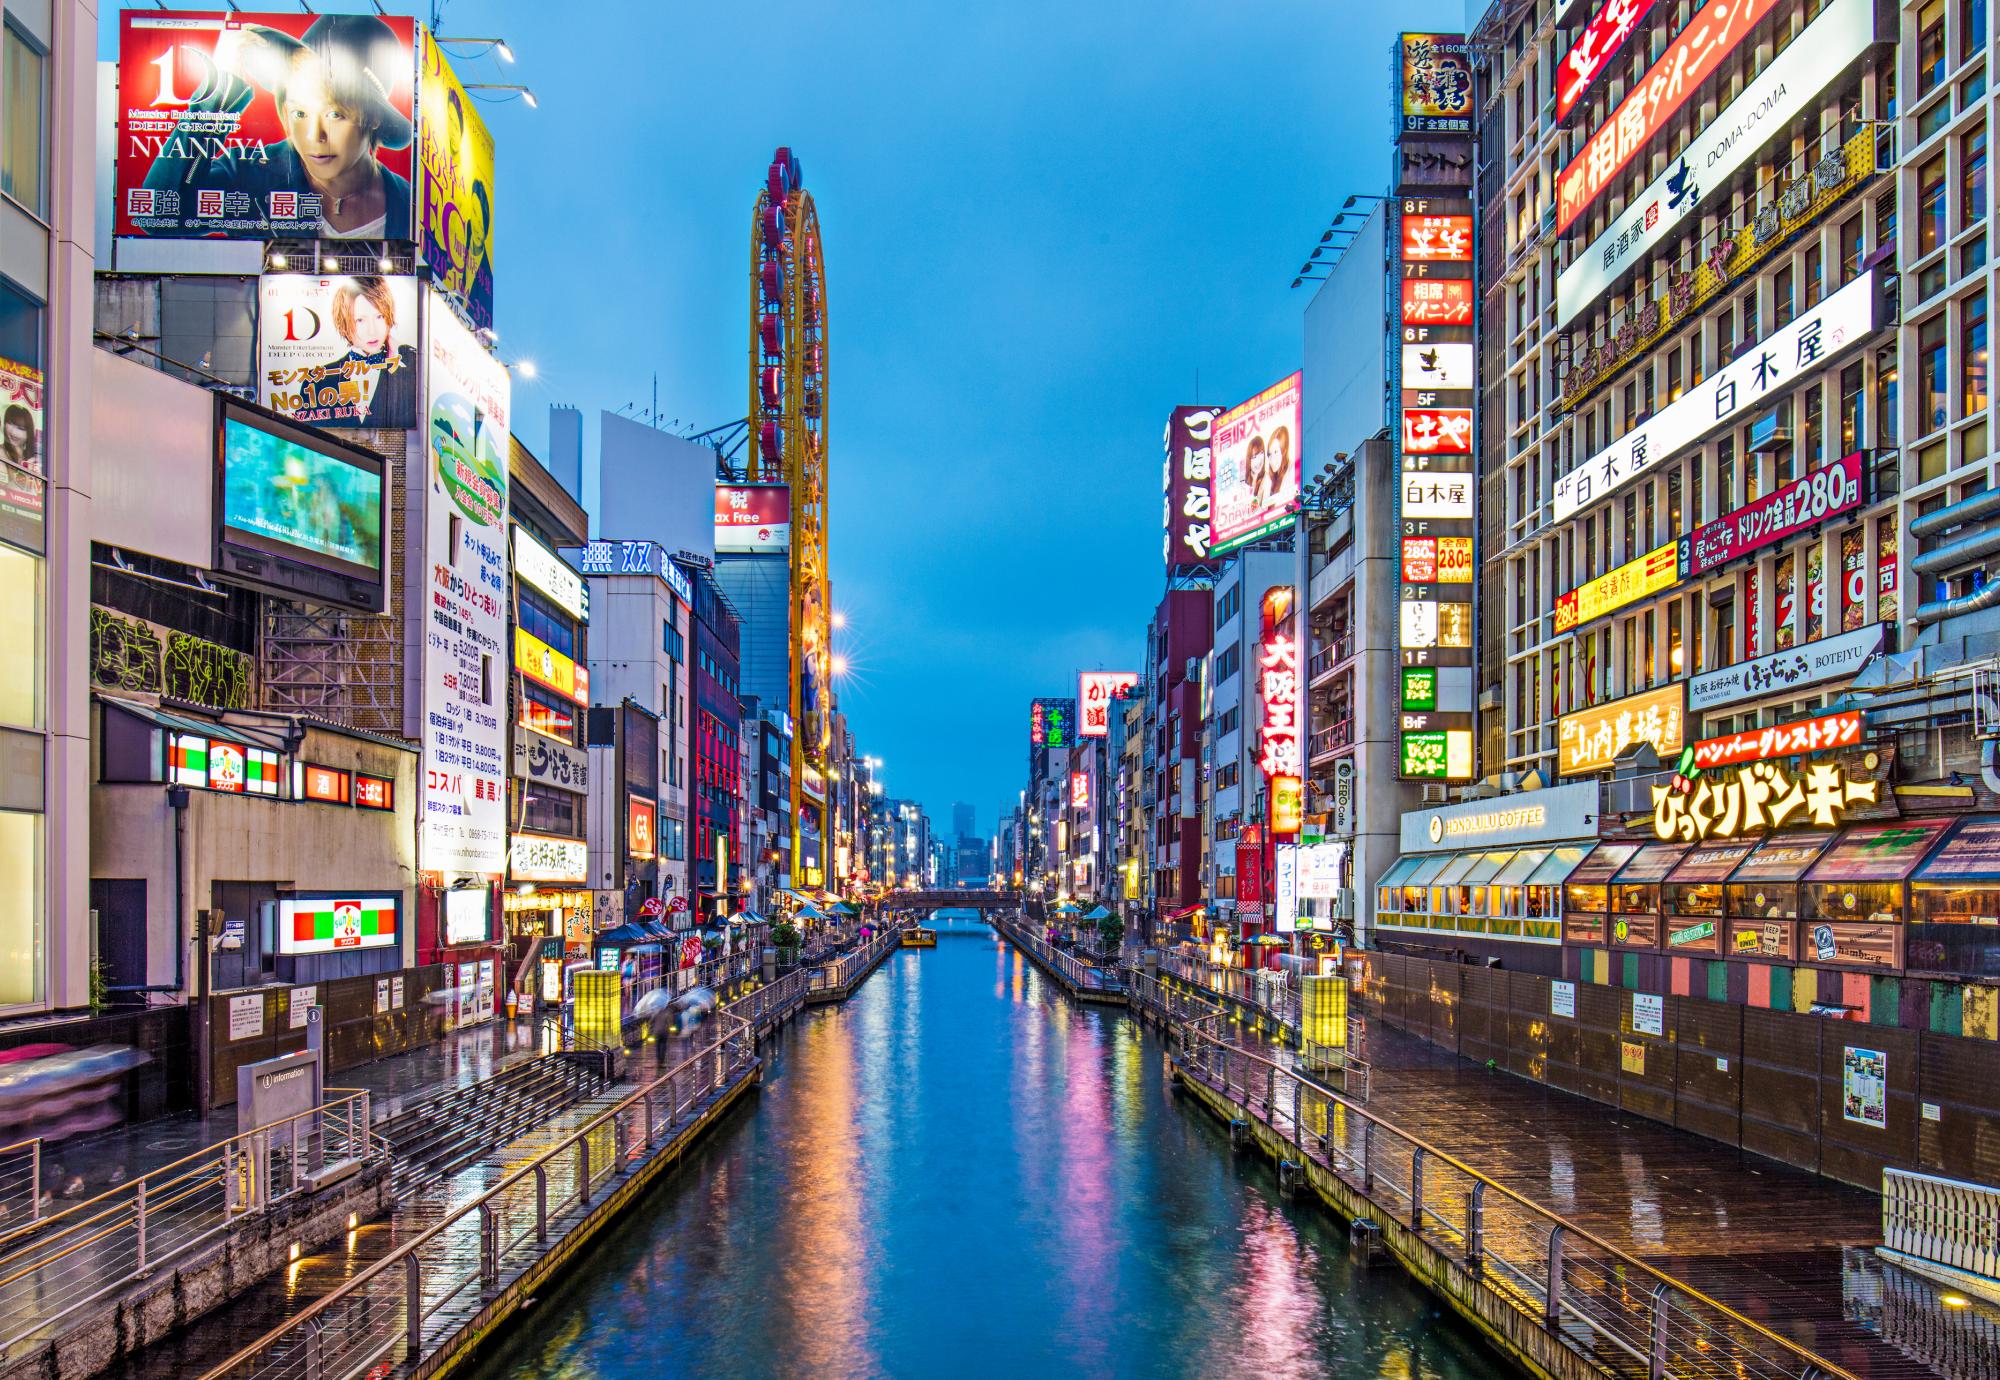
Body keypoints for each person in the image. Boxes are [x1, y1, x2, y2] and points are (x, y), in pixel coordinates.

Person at [140, 15, 412, 239]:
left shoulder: (406, 204)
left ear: (373, 117)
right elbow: (157, 215)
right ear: (284, 109)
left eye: (335, 115)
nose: (313, 135)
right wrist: (218, 94)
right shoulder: (252, 174)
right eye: (300, 113)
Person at [327, 277, 416, 427]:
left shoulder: (411, 366)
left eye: (379, 317)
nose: (372, 330)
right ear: (344, 323)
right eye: (360, 320)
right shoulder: (319, 381)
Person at [0, 405, 36, 475]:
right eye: (10, 424)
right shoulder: (1, 453)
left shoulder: (32, 458)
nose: (14, 432)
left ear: (29, 433)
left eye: (21, 428)